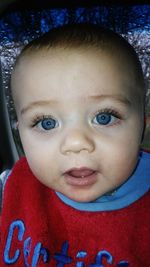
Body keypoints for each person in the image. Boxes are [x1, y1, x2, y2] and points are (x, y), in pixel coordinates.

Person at [0, 23, 150, 267]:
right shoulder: (19, 185)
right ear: (20, 132)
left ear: (142, 127)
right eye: (46, 123)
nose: (76, 143)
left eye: (104, 117)